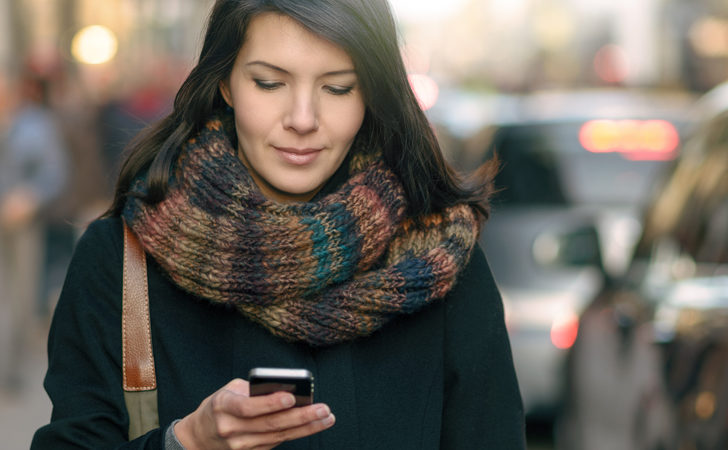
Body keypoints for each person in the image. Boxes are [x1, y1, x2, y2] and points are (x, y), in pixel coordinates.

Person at [32, 0, 525, 448]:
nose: (303, 118)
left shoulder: (437, 258)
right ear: (225, 82)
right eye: (269, 82)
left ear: (371, 94)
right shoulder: (120, 261)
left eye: (337, 87)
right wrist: (187, 443)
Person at [0, 69, 69, 392]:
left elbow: (54, 172)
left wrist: (29, 197)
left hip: (19, 225)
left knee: (20, 298)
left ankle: (8, 371)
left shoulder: (35, 125)